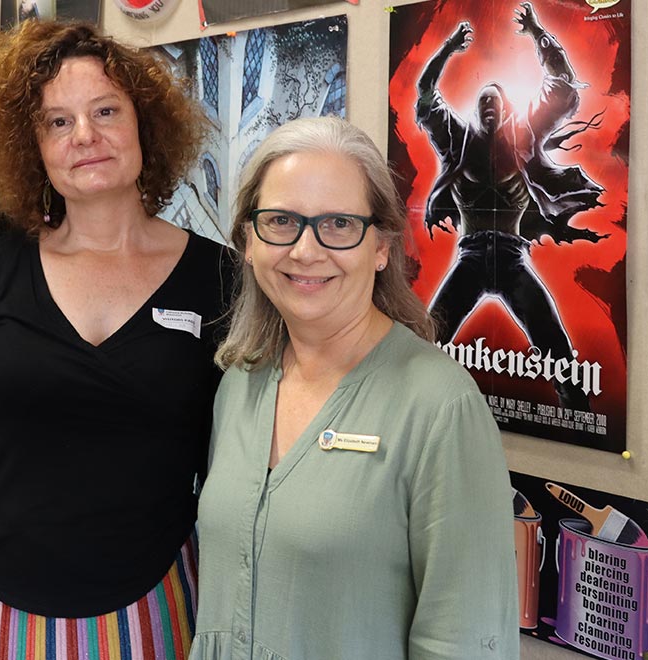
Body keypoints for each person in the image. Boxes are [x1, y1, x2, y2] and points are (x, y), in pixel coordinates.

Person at [0, 20, 232, 660]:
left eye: (105, 110)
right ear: (32, 148)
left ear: (146, 124)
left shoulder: (220, 280)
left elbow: (232, 474)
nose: (85, 136)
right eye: (58, 121)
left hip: (157, 612)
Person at [190, 116, 518, 659]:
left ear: (382, 246)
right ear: (248, 241)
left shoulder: (439, 407)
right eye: (280, 221)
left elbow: (465, 641)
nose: (305, 250)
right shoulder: (240, 385)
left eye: (339, 224)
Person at [416, 2, 605, 411]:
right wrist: (448, 49)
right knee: (423, 342)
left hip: (514, 257)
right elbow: (425, 94)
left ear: (505, 110)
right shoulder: (456, 142)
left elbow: (563, 86)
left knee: (557, 349)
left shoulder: (524, 139)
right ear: (476, 109)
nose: (489, 105)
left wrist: (538, 33)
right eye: (483, 99)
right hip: (470, 257)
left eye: (496, 101)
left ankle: (579, 418)